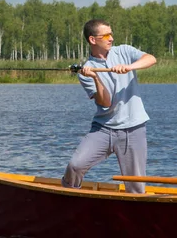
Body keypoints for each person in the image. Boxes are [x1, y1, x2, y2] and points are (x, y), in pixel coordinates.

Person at [62, 19, 157, 194]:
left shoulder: (124, 51)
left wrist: (129, 67)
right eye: (106, 35)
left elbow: (151, 59)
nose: (111, 38)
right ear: (93, 40)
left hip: (133, 129)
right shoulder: (87, 69)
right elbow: (105, 103)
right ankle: (68, 198)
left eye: (111, 34)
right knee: (75, 166)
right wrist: (95, 78)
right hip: (103, 129)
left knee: (136, 186)